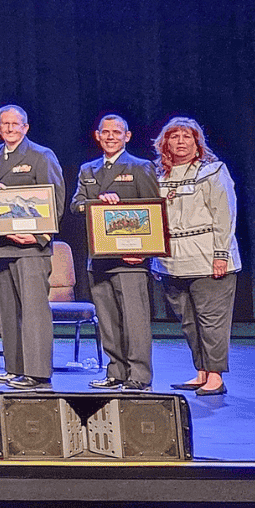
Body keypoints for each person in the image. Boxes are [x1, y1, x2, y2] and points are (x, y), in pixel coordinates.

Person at [0, 104, 65, 391]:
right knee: (8, 309)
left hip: (31, 247)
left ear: (25, 127)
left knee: (34, 310)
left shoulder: (41, 155)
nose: (10, 129)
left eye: (16, 124)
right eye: (5, 124)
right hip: (1, 245)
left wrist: (40, 237)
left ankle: (37, 373)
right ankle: (14, 368)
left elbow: (55, 199)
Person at [70, 115, 160, 391]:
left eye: (116, 132)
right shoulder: (89, 169)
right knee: (108, 322)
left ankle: (139, 376)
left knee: (135, 322)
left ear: (127, 136)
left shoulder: (140, 167)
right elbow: (76, 206)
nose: (110, 137)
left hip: (130, 260)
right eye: (105, 132)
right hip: (98, 259)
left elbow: (153, 211)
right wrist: (98, 203)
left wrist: (145, 254)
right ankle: (116, 372)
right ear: (97, 136)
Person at [151, 117, 240, 396]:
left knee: (211, 320)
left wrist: (221, 255)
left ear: (197, 142)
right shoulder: (157, 175)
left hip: (207, 259)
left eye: (186, 136)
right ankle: (201, 371)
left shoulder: (212, 171)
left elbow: (224, 214)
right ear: (164, 142)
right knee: (189, 322)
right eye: (174, 136)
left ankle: (215, 376)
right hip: (172, 262)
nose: (180, 141)